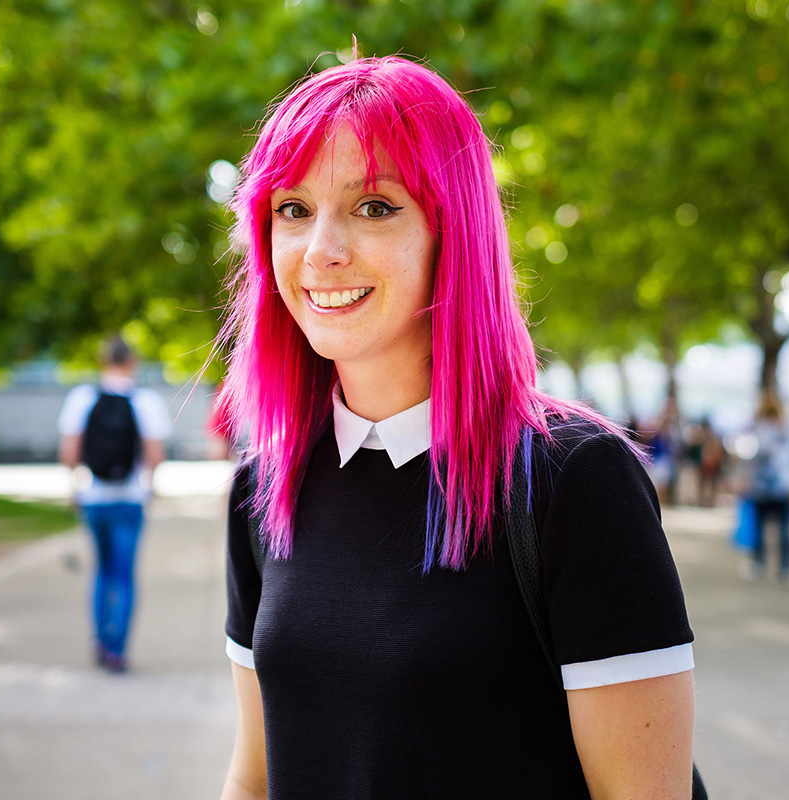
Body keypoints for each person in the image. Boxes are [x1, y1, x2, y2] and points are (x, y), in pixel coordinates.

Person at [216, 56, 696, 799]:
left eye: (375, 205)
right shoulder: (265, 484)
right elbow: (253, 780)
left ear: (453, 231)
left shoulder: (573, 480)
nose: (321, 251)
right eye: (293, 209)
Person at [57, 335, 171, 672]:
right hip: (130, 500)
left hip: (93, 498)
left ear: (103, 361)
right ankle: (117, 649)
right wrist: (150, 487)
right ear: (132, 362)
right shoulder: (145, 401)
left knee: (101, 571)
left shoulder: (82, 398)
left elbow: (69, 454)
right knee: (124, 575)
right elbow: (154, 455)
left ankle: (99, 638)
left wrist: (74, 487)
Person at [744, 393, 789, 582]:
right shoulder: (786, 430)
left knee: (760, 528)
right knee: (784, 529)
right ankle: (785, 567)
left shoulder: (757, 429)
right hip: (782, 486)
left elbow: (751, 455)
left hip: (761, 486)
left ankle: (759, 563)